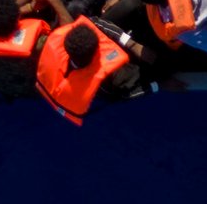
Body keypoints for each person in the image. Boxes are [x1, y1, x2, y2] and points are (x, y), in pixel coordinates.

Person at [35, 15, 163, 125]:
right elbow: (127, 93)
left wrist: (131, 44)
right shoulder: (112, 80)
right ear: (96, 51)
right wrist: (157, 85)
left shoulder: (55, 48)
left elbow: (94, 22)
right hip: (113, 85)